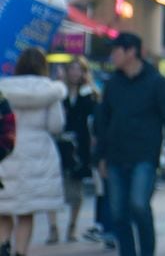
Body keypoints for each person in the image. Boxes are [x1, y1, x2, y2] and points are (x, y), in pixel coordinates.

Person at [95, 32, 165, 256]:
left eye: (116, 50)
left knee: (139, 205)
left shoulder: (156, 82)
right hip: (115, 156)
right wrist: (100, 156)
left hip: (145, 156)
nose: (113, 55)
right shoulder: (113, 83)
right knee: (118, 213)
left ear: (131, 52)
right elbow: (102, 121)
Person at [0, 48, 67, 256]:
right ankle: (20, 252)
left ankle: (3, 245)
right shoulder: (51, 91)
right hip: (38, 156)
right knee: (26, 211)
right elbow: (56, 125)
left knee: (4, 208)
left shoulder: (4, 89)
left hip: (6, 151)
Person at [45, 57, 98, 243]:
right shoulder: (58, 92)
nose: (75, 73)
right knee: (52, 187)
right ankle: (53, 228)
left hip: (80, 146)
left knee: (76, 189)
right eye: (72, 69)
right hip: (58, 143)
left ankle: (72, 226)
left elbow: (95, 118)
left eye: (79, 69)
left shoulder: (89, 94)